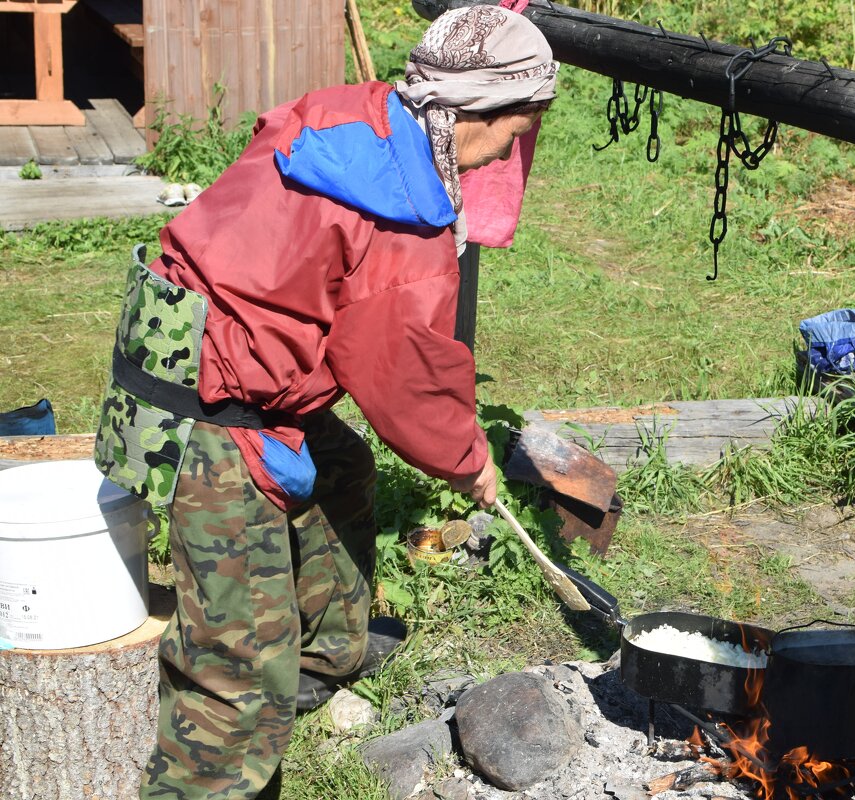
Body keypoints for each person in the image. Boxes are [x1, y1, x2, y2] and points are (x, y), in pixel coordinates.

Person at [92, 6, 557, 799]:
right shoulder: (405, 223)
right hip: (212, 401)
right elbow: (401, 375)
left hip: (169, 334)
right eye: (514, 132)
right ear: (476, 110)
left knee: (341, 468)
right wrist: (468, 460)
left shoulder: (351, 114)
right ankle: (233, 741)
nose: (506, 154)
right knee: (235, 669)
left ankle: (324, 657)